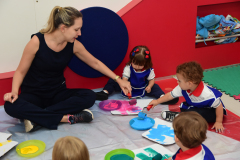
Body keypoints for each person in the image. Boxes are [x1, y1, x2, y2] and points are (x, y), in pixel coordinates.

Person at [3, 6, 131, 132]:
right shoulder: (37, 41)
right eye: (76, 29)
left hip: (57, 94)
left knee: (89, 96)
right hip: (34, 95)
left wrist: (118, 80)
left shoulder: (74, 45)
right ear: (63, 28)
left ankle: (37, 118)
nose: (79, 33)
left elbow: (95, 63)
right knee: (10, 106)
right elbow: (20, 71)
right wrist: (14, 91)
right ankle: (65, 118)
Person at [149, 61, 226, 133]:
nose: (177, 82)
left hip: (212, 111)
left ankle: (182, 117)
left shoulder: (207, 94)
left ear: (189, 84)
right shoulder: (182, 87)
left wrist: (218, 122)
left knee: (199, 114)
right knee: (184, 107)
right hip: (195, 105)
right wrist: (157, 101)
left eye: (179, 80)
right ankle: (183, 117)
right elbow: (169, 95)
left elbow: (219, 106)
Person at [96, 45, 179, 104]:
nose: (137, 66)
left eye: (140, 65)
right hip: (128, 88)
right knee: (112, 81)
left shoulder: (149, 70)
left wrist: (149, 86)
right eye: (135, 63)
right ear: (131, 60)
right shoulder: (128, 67)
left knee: (155, 87)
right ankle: (105, 92)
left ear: (146, 63)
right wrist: (125, 87)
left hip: (142, 89)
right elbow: (124, 79)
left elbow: (151, 80)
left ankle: (162, 98)